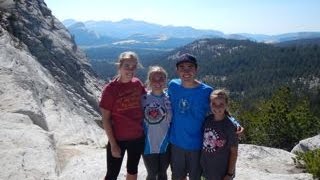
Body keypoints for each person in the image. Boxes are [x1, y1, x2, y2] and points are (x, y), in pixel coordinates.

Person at [168, 53, 242, 180]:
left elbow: (219, 108)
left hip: (197, 145)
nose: (186, 71)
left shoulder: (206, 91)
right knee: (178, 176)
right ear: (177, 70)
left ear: (196, 69)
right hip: (176, 143)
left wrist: (235, 122)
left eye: (190, 67)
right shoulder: (173, 85)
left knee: (195, 177)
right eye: (182, 67)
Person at [99, 51, 146, 180]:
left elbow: (146, 101)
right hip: (118, 139)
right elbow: (106, 119)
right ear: (119, 66)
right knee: (112, 174)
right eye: (127, 66)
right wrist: (113, 144)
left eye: (133, 66)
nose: (130, 70)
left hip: (137, 137)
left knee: (132, 170)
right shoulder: (110, 89)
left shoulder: (137, 84)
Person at [142, 66, 172, 180]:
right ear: (149, 80)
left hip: (166, 144)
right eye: (154, 79)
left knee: (163, 173)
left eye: (161, 78)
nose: (158, 82)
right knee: (152, 174)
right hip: (148, 144)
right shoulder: (143, 98)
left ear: (165, 80)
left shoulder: (170, 98)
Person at [200, 89, 238, 180]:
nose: (217, 107)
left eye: (221, 104)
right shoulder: (207, 120)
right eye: (214, 104)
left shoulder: (229, 126)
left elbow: (234, 152)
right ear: (210, 104)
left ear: (226, 105)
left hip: (221, 173)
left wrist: (229, 174)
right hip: (205, 170)